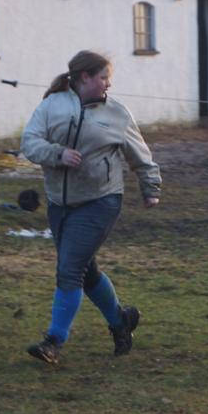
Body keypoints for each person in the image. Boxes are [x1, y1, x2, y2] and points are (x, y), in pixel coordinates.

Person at [20, 50, 162, 364]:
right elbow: (29, 143)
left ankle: (54, 341)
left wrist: (150, 187)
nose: (108, 84)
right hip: (60, 203)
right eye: (103, 77)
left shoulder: (117, 113)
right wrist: (57, 154)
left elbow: (141, 154)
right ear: (85, 78)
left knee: (69, 269)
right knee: (86, 271)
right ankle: (120, 320)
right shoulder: (51, 106)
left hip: (102, 200)